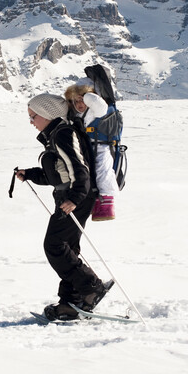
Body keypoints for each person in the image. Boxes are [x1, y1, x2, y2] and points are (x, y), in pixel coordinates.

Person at [15, 93, 112, 321]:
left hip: (75, 198)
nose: (31, 121)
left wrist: (75, 198)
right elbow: (57, 175)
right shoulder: (54, 135)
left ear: (48, 114)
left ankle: (91, 288)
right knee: (67, 247)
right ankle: (72, 302)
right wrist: (29, 174)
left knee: (55, 245)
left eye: (33, 116)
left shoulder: (63, 134)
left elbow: (80, 170)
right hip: (70, 197)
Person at [64, 80, 120, 221]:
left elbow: (98, 103)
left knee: (103, 170)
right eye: (75, 102)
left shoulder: (97, 110)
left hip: (101, 147)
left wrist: (86, 95)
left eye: (81, 100)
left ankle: (107, 202)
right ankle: (92, 201)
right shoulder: (76, 115)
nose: (79, 104)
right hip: (85, 148)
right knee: (86, 175)